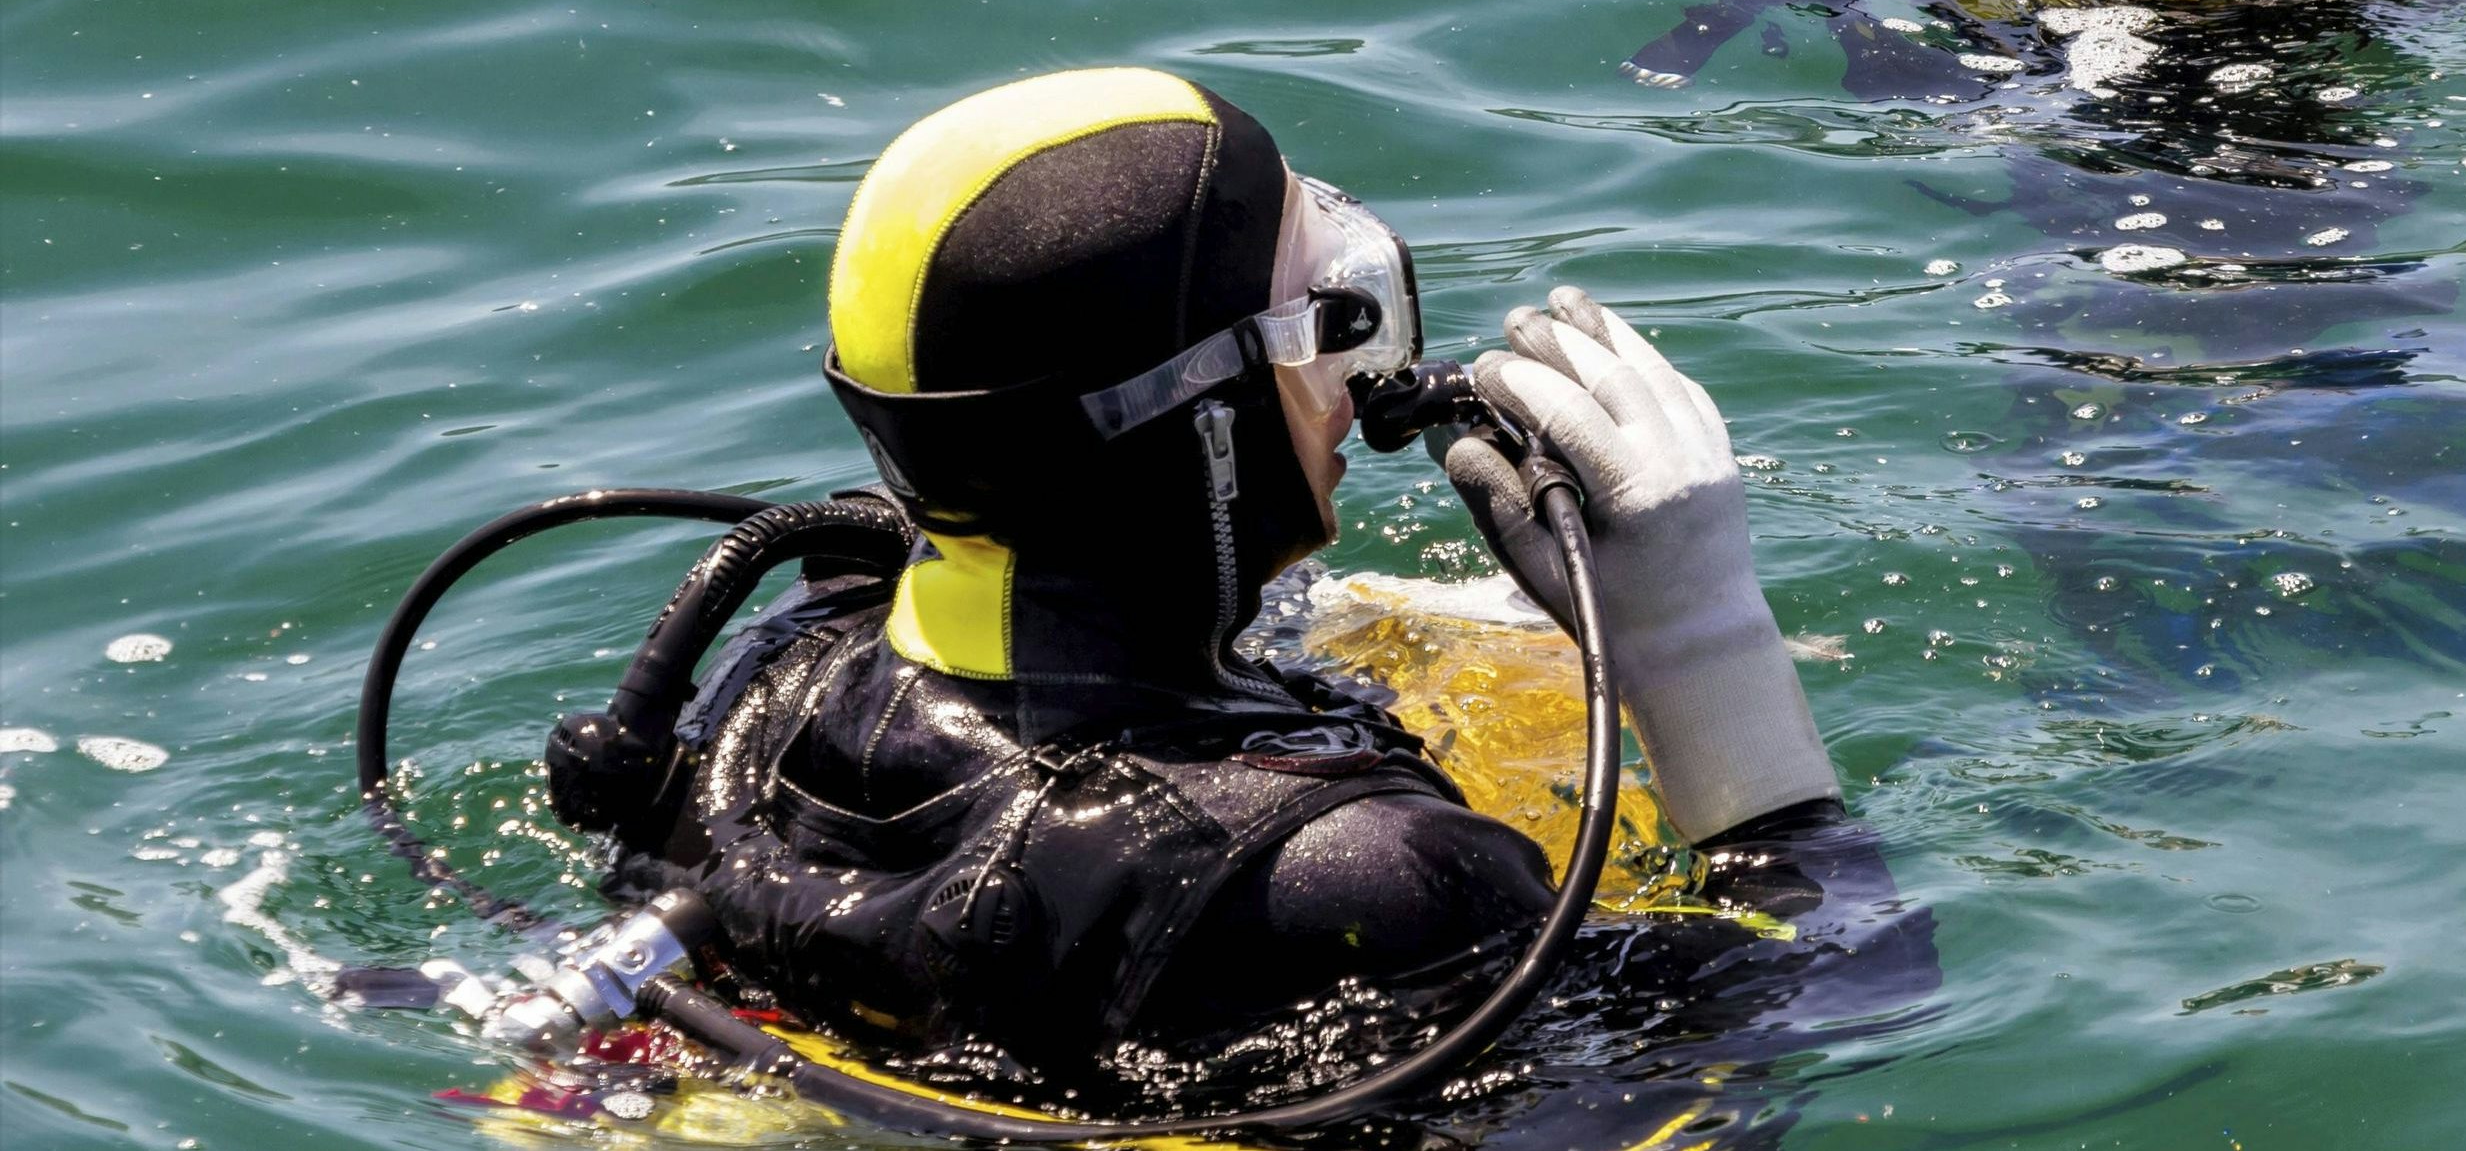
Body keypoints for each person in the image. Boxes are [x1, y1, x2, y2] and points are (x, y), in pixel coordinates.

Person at [621, 65, 1915, 1115]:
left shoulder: (783, 672)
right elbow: (1818, 1026)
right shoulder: (1374, 881)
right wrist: (1701, 642)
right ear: (1205, 418)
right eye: (1325, 323)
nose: (1357, 384)